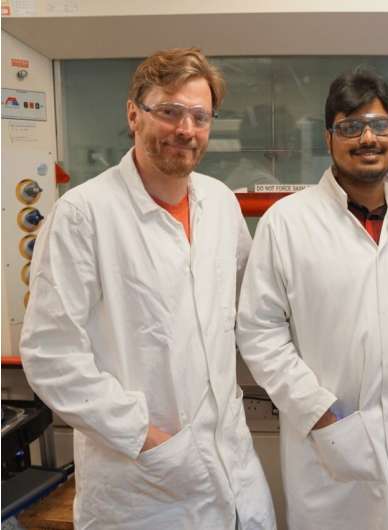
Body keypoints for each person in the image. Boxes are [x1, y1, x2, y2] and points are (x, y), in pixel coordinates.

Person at [20, 48, 276, 530]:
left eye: (200, 116)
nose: (186, 129)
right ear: (134, 114)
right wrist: (147, 438)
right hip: (144, 482)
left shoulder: (220, 204)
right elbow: (51, 356)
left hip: (232, 464)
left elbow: (249, 307)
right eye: (170, 111)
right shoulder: (83, 215)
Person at [236, 67, 388, 530]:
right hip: (324, 443)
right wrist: (318, 412)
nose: (367, 138)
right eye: (351, 126)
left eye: (381, 125)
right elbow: (258, 330)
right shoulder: (287, 222)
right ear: (329, 137)